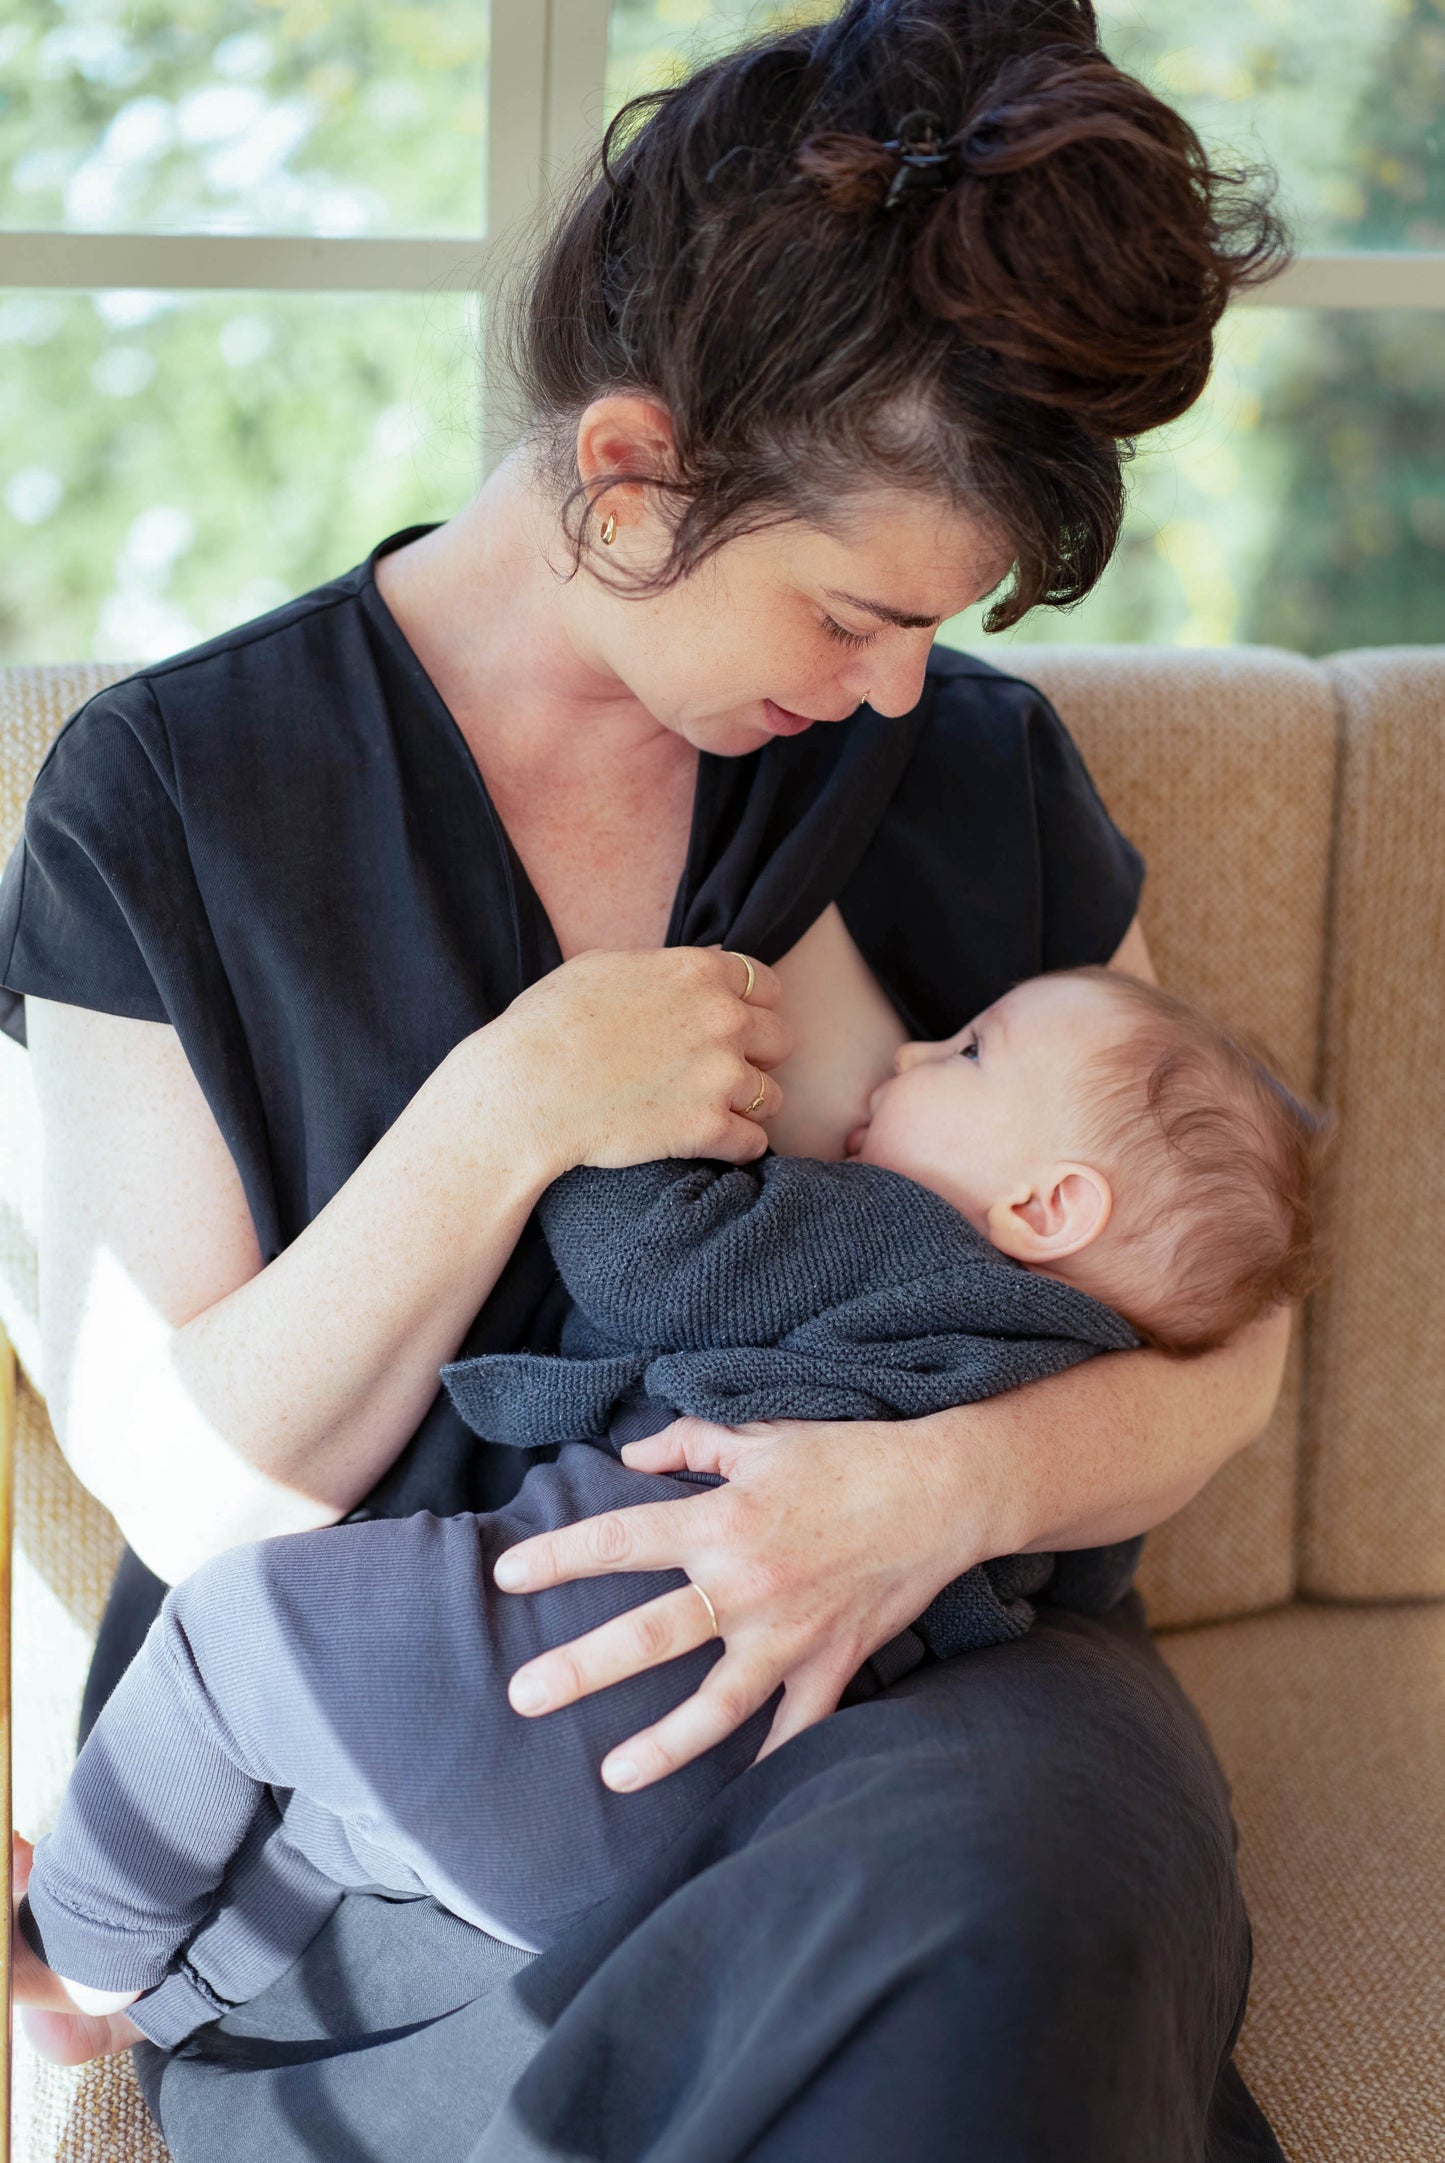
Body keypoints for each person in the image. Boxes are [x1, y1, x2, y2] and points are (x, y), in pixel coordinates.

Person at [0, 0, 1297, 2154]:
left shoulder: (967, 773)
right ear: (631, 469)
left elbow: (1218, 1345)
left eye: (936, 631)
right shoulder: (176, 804)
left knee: (997, 1921)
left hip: (942, 1727)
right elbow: (194, 1492)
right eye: (853, 613)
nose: (897, 686)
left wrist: (925, 1499)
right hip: (431, 1788)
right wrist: (509, 1108)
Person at [11, 966, 1329, 2068]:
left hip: (564, 1655)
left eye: (969, 1053)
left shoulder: (890, 1239)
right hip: (661, 1828)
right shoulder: (1081, 1397)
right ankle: (149, 2009)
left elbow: (651, 1266)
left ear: (1046, 1206)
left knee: (227, 1643)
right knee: (344, 1830)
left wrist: (612, 1126)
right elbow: (1076, 1578)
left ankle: (72, 1945)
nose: (914, 1046)